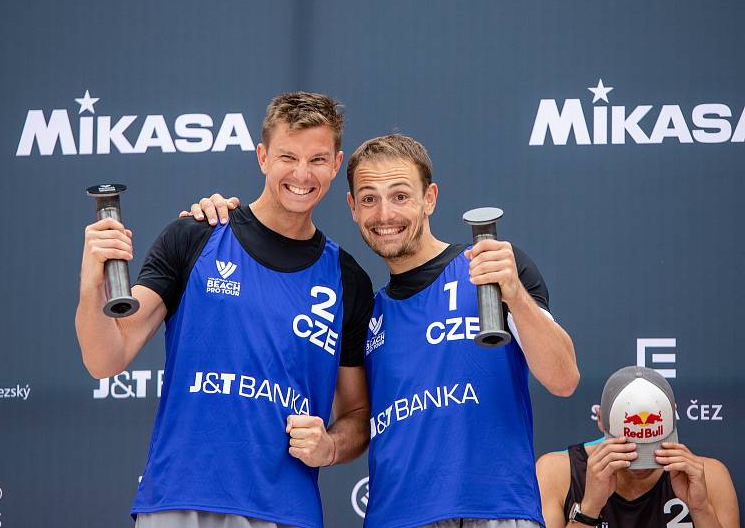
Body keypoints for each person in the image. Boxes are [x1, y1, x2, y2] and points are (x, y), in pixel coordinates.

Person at [187, 133, 579, 527]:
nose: (385, 214)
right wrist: (220, 222)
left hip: (495, 510)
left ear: (430, 198)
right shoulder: (364, 312)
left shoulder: (488, 269)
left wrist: (515, 295)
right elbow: (353, 416)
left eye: (400, 196)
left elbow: (563, 379)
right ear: (353, 208)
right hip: (394, 518)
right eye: (370, 198)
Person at [75, 92, 374, 528]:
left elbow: (357, 416)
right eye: (287, 156)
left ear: (335, 163)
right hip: (179, 499)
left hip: (284, 511)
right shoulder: (195, 236)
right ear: (262, 156)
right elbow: (106, 358)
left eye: (317, 159)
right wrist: (91, 282)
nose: (302, 174)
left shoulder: (347, 279)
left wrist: (329, 446)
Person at [536, 366, 739, 527]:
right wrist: (589, 508)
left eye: (651, 449)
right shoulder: (558, 473)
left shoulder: (709, 476)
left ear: (673, 418)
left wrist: (701, 509)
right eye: (629, 449)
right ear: (600, 419)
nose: (640, 466)